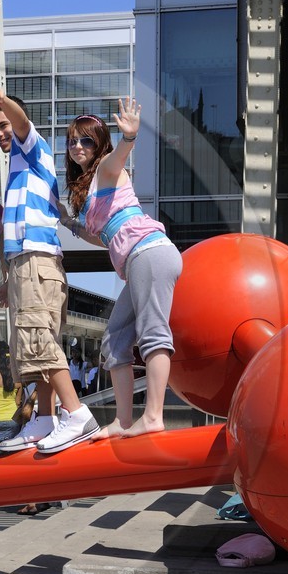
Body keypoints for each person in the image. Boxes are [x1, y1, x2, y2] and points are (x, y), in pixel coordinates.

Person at [0, 86, 97, 455]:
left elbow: (22, 123)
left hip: (35, 260)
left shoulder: (30, 147)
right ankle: (45, 419)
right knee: (36, 343)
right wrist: (9, 278)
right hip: (27, 263)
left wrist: (2, 101)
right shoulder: (19, 168)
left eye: (3, 125)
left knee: (39, 340)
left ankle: (76, 414)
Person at [62, 99, 183, 437]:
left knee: (152, 333)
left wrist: (128, 138)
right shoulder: (93, 186)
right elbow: (105, 236)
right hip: (140, 259)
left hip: (150, 253)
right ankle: (123, 421)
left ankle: (153, 416)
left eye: (86, 140)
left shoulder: (105, 168)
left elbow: (118, 158)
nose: (77, 146)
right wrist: (67, 222)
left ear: (99, 144)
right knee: (115, 340)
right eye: (72, 141)